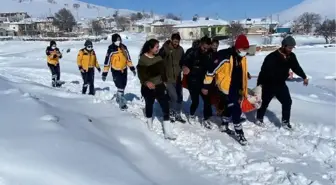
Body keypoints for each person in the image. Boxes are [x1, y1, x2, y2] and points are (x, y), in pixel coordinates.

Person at [203, 34, 251, 145]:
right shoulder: (224, 56)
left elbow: (240, 69)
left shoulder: (242, 57)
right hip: (226, 87)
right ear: (238, 47)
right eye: (244, 48)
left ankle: (224, 125)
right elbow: (211, 71)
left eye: (246, 48)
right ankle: (240, 133)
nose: (246, 51)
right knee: (236, 110)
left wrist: (245, 74)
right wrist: (205, 86)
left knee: (230, 107)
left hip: (237, 87)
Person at [256, 36, 308, 129]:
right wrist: (259, 86)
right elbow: (263, 72)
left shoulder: (291, 56)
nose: (290, 50)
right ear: (283, 46)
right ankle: (259, 118)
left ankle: (285, 122)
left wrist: (304, 76)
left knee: (287, 102)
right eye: (289, 48)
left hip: (280, 84)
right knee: (264, 103)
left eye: (292, 48)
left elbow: (296, 67)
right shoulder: (272, 57)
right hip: (269, 84)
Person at [137, 39, 176, 140]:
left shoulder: (158, 57)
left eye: (158, 47)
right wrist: (146, 82)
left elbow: (163, 71)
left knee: (165, 106)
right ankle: (149, 126)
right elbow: (141, 74)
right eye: (156, 47)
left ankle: (167, 132)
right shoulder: (143, 59)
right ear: (150, 48)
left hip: (159, 86)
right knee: (149, 105)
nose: (158, 49)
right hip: (148, 87)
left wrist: (165, 82)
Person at [181, 36, 213, 127]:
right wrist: (184, 66)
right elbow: (185, 60)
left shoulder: (210, 54)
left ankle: (206, 118)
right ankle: (191, 115)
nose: (205, 49)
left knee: (207, 101)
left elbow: (212, 67)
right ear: (201, 44)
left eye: (207, 48)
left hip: (204, 81)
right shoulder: (192, 51)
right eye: (204, 47)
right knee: (196, 101)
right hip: (193, 80)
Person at [102, 33, 136, 110]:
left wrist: (132, 68)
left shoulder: (124, 48)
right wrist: (105, 73)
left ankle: (119, 97)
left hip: (124, 70)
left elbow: (128, 59)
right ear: (113, 41)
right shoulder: (111, 49)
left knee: (123, 86)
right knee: (120, 86)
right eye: (117, 40)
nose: (118, 41)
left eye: (119, 40)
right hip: (115, 71)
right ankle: (122, 103)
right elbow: (107, 62)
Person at [159, 33, 186, 123]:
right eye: (174, 41)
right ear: (171, 40)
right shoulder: (165, 49)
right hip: (168, 78)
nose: (176, 43)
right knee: (173, 97)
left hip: (178, 78)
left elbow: (183, 61)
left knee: (180, 97)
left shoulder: (181, 50)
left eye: (177, 42)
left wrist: (184, 67)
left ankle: (178, 114)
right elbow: (159, 62)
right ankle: (171, 112)